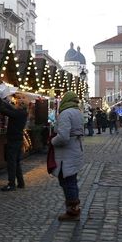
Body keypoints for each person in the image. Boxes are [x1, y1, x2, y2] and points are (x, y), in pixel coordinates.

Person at [50, 91, 84, 221]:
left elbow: (63, 137)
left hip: (67, 153)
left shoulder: (65, 113)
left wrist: (53, 141)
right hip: (75, 150)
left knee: (67, 181)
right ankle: (73, 208)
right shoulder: (77, 112)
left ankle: (72, 211)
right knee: (71, 180)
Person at [0, 94, 28, 191]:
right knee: (16, 162)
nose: (17, 103)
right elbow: (11, 109)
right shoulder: (23, 113)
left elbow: (6, 111)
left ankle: (11, 184)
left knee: (12, 162)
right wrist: (4, 102)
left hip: (13, 139)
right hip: (18, 139)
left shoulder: (19, 113)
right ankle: (21, 182)